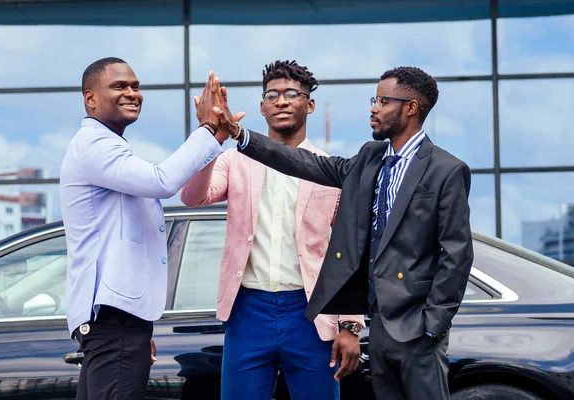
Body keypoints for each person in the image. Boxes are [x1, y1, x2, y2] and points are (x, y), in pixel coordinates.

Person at [213, 66, 474, 400]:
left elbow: (456, 255)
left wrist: (432, 326)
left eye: (382, 101)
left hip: (417, 329)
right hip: (379, 328)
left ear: (410, 108)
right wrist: (240, 135)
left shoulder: (446, 169)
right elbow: (306, 165)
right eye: (374, 100)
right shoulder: (370, 158)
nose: (373, 108)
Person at [180, 60, 364, 400]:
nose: (281, 101)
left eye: (291, 94)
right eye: (272, 95)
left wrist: (350, 324)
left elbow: (348, 252)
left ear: (308, 105)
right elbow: (193, 197)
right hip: (248, 310)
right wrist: (210, 138)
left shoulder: (331, 170)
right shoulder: (235, 160)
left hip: (310, 312)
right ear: (262, 107)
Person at [60, 57, 230, 400]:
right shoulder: (94, 144)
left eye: (136, 87)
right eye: (119, 86)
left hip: (119, 323)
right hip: (113, 323)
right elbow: (162, 180)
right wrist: (208, 132)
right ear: (90, 98)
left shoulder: (108, 145)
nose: (132, 93)